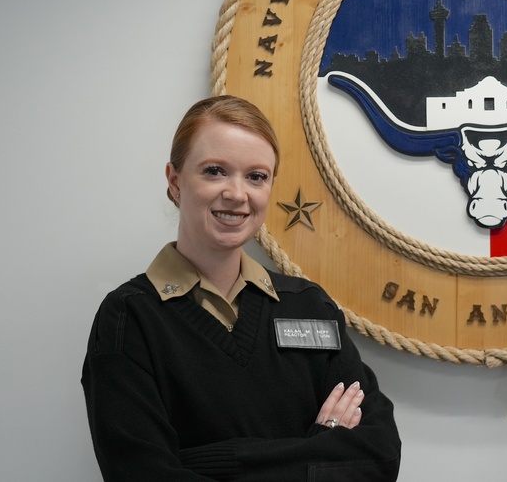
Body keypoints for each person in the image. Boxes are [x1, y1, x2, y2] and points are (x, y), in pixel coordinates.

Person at [82, 95, 401, 481]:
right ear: (174, 181)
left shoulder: (309, 306)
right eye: (215, 171)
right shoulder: (129, 318)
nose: (237, 194)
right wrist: (320, 448)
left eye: (256, 176)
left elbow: (379, 455)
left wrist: (212, 463)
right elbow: (139, 473)